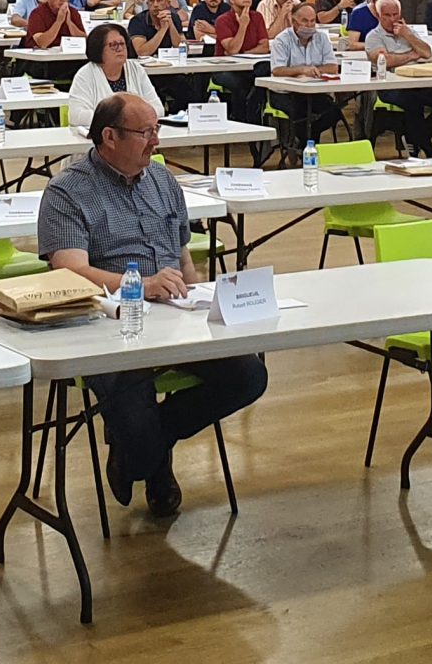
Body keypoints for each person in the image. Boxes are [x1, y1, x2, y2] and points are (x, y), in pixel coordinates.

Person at [38, 93, 265, 517]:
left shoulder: (162, 181)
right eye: (145, 133)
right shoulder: (67, 191)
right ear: (109, 137)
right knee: (138, 431)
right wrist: (139, 287)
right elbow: (68, 273)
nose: (156, 141)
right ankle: (148, 457)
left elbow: (182, 255)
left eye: (156, 130)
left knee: (249, 375)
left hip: (174, 313)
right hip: (107, 324)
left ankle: (145, 447)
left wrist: (201, 299)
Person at [364, 0, 432, 157]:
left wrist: (407, 35)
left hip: (416, 82)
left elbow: (427, 53)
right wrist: (411, 56)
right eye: (387, 15)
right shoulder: (373, 37)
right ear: (378, 15)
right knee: (414, 104)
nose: (392, 19)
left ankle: (415, 138)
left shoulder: (408, 32)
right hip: (390, 86)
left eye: (395, 14)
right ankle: (429, 150)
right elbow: (386, 60)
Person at [266, 0, 340, 151]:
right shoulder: (281, 40)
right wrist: (301, 70)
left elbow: (332, 67)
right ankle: (307, 148)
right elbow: (277, 70)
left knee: (333, 112)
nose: (309, 25)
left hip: (314, 91)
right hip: (286, 93)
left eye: (313, 21)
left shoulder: (322, 38)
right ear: (294, 21)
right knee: (302, 115)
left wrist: (314, 70)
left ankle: (303, 145)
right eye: (305, 21)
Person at [70, 23, 159, 132]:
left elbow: (158, 108)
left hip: (137, 135)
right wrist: (123, 119)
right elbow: (76, 116)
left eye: (122, 43)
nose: (120, 48)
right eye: (113, 45)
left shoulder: (136, 69)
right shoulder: (85, 74)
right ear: (98, 49)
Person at [19, 0, 83, 51]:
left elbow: (83, 40)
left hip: (67, 53)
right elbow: (42, 43)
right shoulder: (37, 14)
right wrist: (58, 22)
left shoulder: (73, 12)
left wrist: (69, 23)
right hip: (40, 57)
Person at [125, 0, 189, 57]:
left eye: (159, 0)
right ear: (147, 4)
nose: (155, 4)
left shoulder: (174, 18)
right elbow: (142, 53)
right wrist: (163, 29)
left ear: (168, 3)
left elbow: (181, 48)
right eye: (151, 0)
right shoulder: (137, 21)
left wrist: (170, 24)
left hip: (166, 62)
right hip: (140, 64)